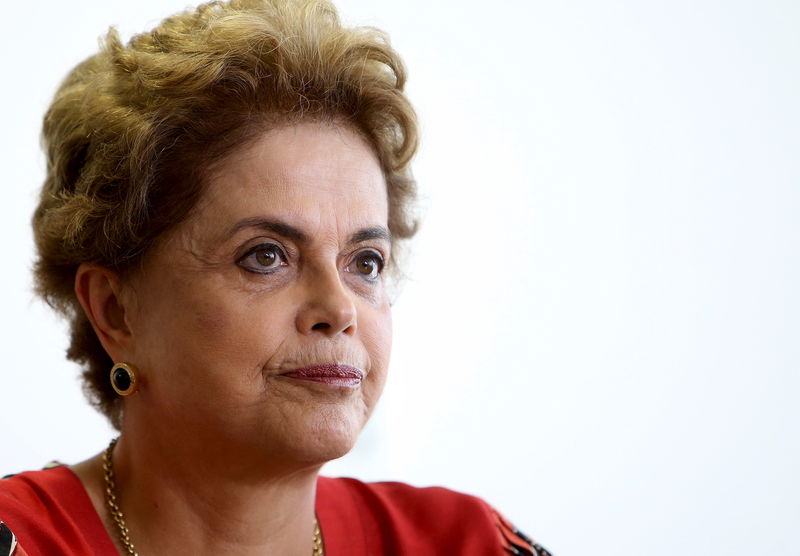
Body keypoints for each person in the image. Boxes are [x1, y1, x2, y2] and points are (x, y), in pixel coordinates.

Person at [0, 1, 550, 554]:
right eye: (266, 256)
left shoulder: (464, 543)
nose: (339, 310)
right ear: (116, 311)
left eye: (365, 262)